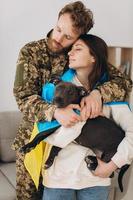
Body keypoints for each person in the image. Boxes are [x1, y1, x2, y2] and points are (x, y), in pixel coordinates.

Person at [12, 1, 132, 199]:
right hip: (34, 141)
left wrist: (98, 93)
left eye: (68, 36)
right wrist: (55, 112)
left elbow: (123, 81)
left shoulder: (79, 53)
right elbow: (23, 96)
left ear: (79, 37)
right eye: (58, 29)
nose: (58, 38)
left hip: (68, 153)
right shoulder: (31, 52)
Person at [42, 34, 133, 200]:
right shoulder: (55, 89)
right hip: (59, 179)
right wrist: (70, 118)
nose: (70, 53)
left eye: (78, 49)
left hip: (96, 179)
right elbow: (44, 132)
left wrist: (111, 166)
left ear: (94, 57)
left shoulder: (113, 92)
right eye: (71, 49)